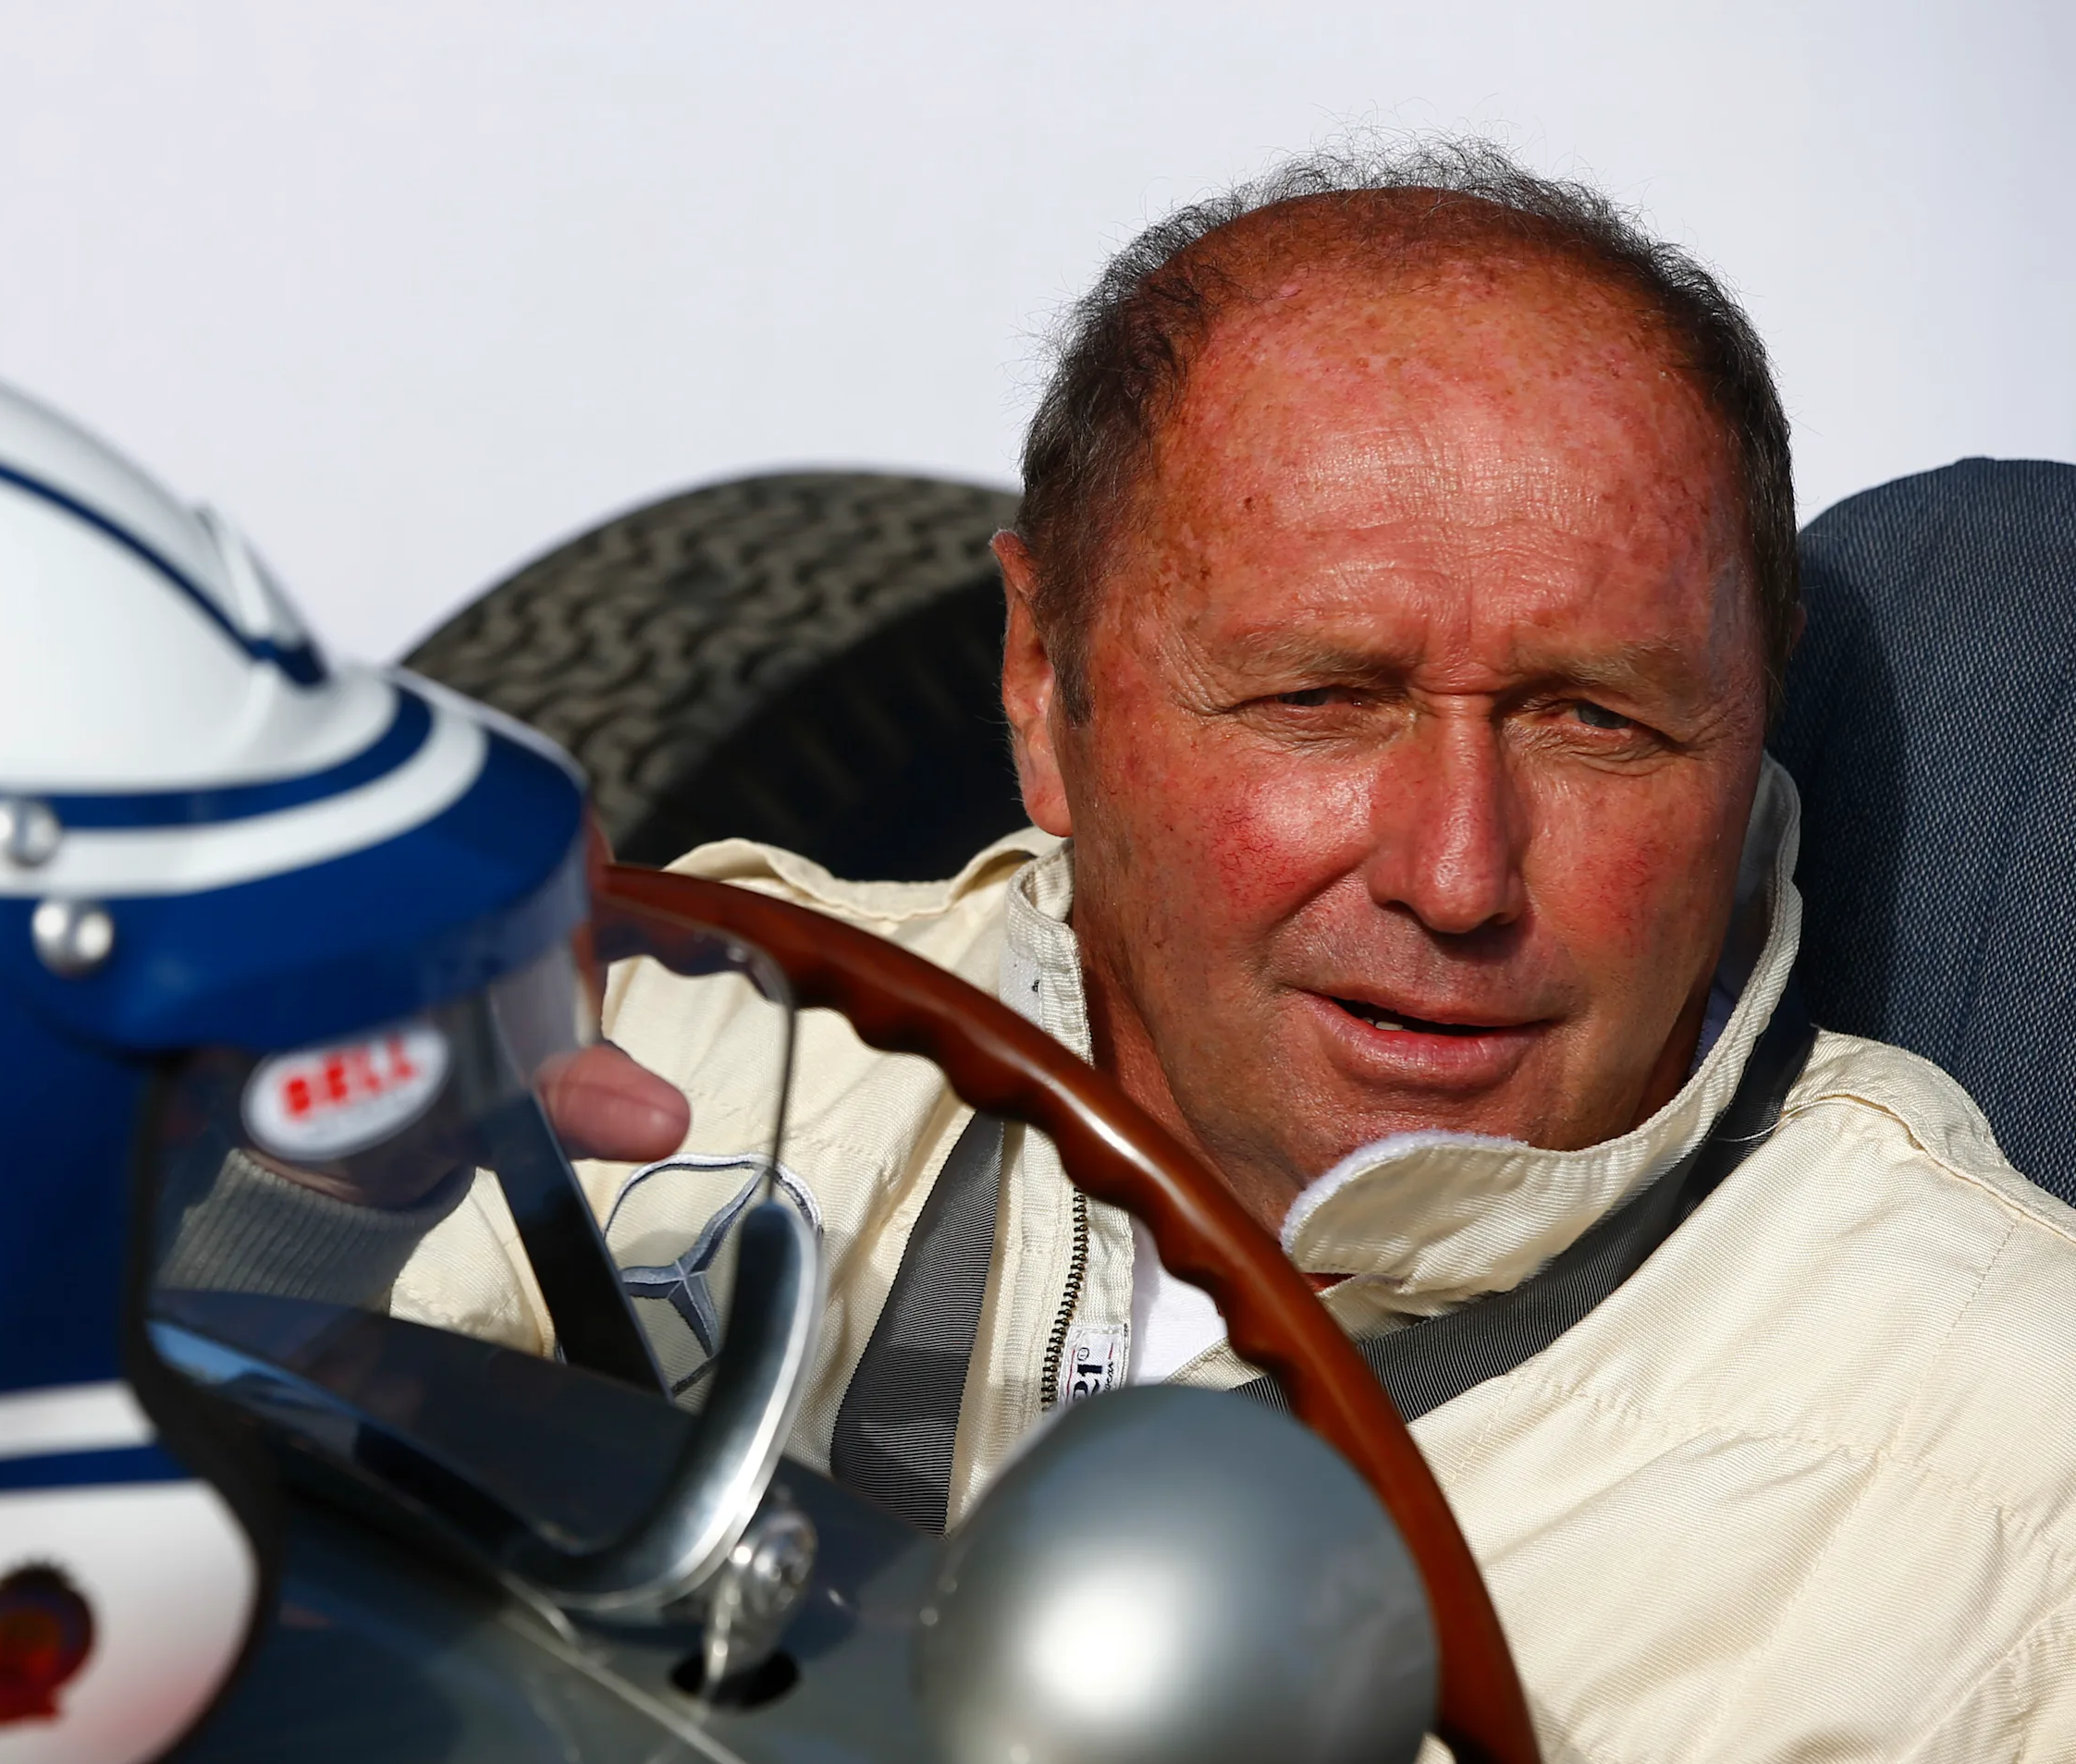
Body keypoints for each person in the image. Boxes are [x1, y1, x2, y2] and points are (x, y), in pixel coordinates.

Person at [172, 141, 2076, 1760]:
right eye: (1321, 698)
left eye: (1596, 719)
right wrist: (290, 1190)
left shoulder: (2006, 1485)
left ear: (1753, 711)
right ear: (1039, 677)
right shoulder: (660, 1058)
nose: (1458, 873)